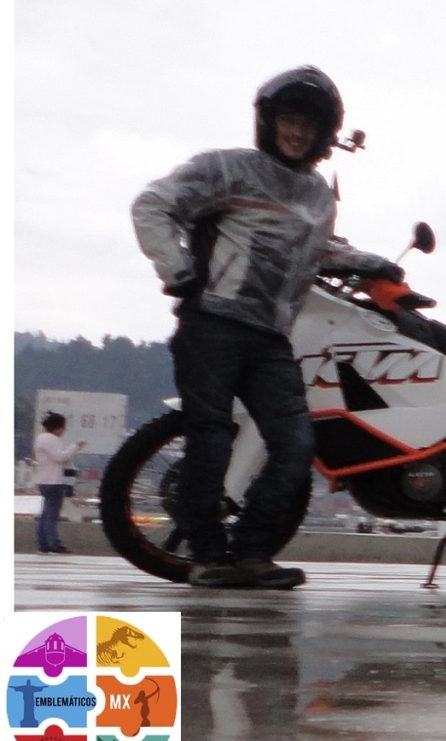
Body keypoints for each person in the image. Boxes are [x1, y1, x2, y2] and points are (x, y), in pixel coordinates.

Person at [130, 66, 401, 589]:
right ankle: (207, 557)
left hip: (272, 336)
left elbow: (319, 250)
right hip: (212, 325)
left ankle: (253, 552)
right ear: (269, 121)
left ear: (325, 134)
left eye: (307, 124)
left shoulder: (318, 195)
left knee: (297, 444)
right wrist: (178, 271)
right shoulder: (228, 169)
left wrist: (372, 264)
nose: (296, 132)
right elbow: (152, 205)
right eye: (288, 120)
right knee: (210, 439)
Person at [31, 412, 81, 554]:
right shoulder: (52, 439)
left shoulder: (40, 438)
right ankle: (54, 544)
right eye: (63, 427)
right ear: (57, 427)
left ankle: (43, 544)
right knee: (51, 516)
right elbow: (60, 457)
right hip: (54, 481)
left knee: (45, 514)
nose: (63, 431)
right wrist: (75, 447)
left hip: (43, 480)